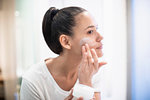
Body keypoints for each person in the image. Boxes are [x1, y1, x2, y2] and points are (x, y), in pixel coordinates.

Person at [20, 6, 107, 100]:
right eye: (90, 31)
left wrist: (86, 82)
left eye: (96, 29)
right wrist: (85, 85)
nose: (100, 37)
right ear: (66, 42)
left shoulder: (91, 70)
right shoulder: (33, 81)